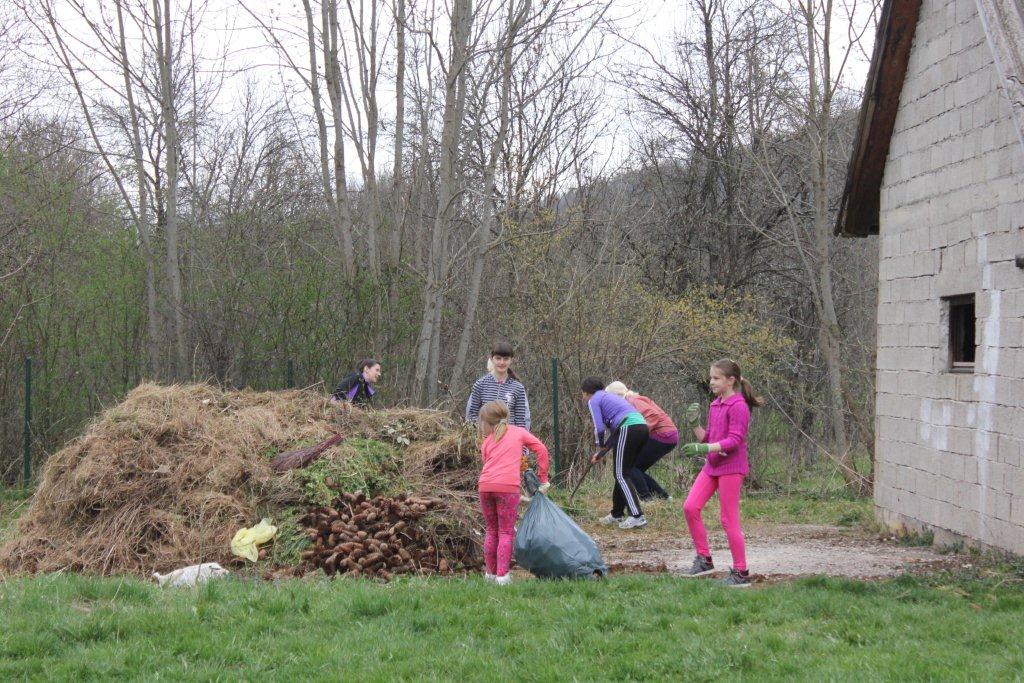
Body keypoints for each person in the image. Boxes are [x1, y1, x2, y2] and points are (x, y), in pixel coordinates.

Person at [679, 359, 764, 588]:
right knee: (690, 507)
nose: (711, 382)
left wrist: (704, 449)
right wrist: (695, 424)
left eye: (716, 378)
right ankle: (704, 560)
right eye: (711, 377)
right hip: (712, 466)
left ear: (730, 380)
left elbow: (734, 441)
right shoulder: (715, 404)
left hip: (732, 468)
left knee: (728, 519)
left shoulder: (739, 406)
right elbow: (708, 438)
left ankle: (741, 572)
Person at [477, 400, 550, 585]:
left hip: (485, 486)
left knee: (491, 530)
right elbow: (541, 449)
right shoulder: (519, 432)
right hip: (508, 488)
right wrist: (543, 478)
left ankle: (490, 575)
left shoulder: (487, 442)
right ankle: (503, 577)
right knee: (506, 532)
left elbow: (487, 463)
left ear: (487, 422)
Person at [582, 377, 650, 530]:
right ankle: (617, 513)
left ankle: (637, 516)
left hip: (628, 428)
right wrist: (601, 453)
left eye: (583, 394)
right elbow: (616, 435)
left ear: (586, 393)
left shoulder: (594, 400)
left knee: (620, 474)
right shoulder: (610, 398)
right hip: (641, 427)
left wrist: (599, 444)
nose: (583, 397)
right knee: (623, 473)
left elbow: (599, 428)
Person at [604, 381, 676, 501]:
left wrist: (638, 434)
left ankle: (646, 498)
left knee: (629, 466)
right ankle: (664, 497)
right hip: (666, 436)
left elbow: (653, 415)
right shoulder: (629, 402)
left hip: (663, 435)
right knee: (636, 469)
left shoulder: (633, 400)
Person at [465, 342, 531, 429]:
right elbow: (471, 416)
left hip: (509, 436)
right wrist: (481, 431)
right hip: (485, 436)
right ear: (492, 359)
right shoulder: (480, 385)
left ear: (511, 360)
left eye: (506, 359)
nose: (502, 362)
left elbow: (521, 422)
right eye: (498, 358)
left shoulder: (518, 388)